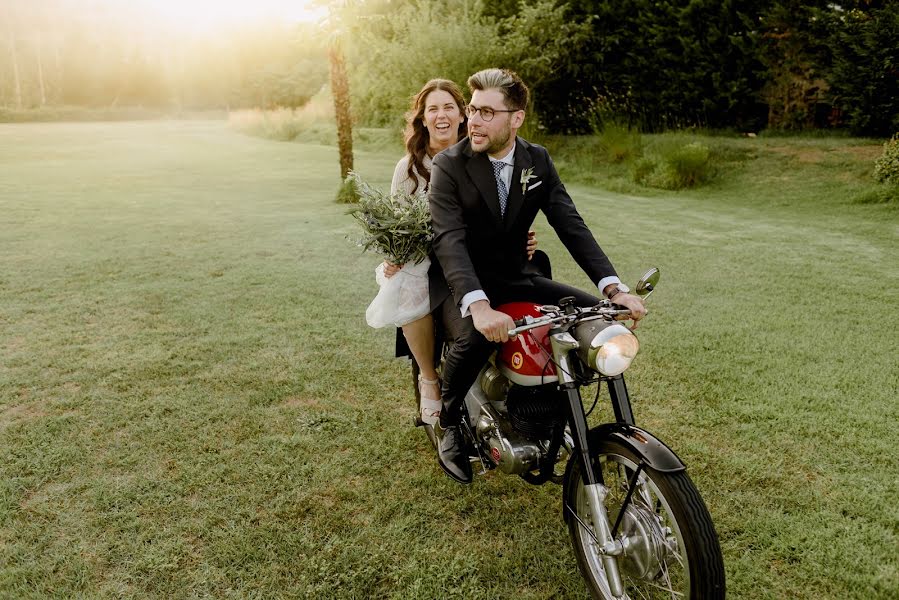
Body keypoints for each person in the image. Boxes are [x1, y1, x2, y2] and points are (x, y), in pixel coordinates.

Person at [427, 68, 647, 484]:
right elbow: (449, 241)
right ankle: (448, 418)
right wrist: (479, 306)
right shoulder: (449, 164)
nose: (473, 120)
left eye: (487, 112)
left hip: (516, 273)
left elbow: (571, 225)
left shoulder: (537, 160)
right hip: (461, 284)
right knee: (475, 336)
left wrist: (614, 289)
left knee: (596, 320)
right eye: (472, 110)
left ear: (516, 118)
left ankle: (549, 413)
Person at [380, 79, 537, 427]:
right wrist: (395, 253)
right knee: (407, 280)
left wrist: (518, 235)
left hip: (479, 259)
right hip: (428, 262)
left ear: (462, 115)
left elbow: (504, 211)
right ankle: (429, 379)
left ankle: (524, 391)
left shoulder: (484, 155)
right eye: (433, 108)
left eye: (449, 107)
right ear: (422, 118)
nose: (441, 115)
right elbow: (396, 224)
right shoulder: (408, 168)